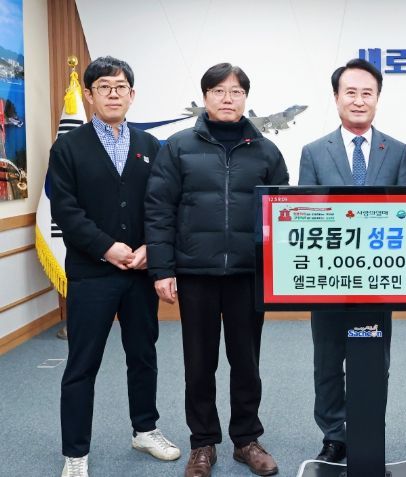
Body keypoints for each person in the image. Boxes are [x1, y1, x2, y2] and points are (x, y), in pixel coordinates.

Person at [145, 63, 288, 477]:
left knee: (246, 364)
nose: (228, 98)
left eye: (236, 91)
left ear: (246, 98)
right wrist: (162, 268)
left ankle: (246, 440)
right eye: (219, 91)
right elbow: (159, 209)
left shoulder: (266, 151)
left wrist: (278, 273)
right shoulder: (178, 147)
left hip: (248, 275)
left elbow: (283, 215)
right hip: (196, 274)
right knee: (198, 364)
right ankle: (203, 443)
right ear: (205, 96)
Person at [50, 56, 180, 477]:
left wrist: (149, 249)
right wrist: (107, 248)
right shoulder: (68, 147)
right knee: (82, 364)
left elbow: (163, 204)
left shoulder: (150, 146)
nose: (113, 93)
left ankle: (145, 429)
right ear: (89, 95)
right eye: (103, 87)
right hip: (92, 273)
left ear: (132, 94)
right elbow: (65, 210)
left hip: (140, 272)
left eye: (120, 86)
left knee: (143, 355)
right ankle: (75, 452)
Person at [298, 58, 406, 462]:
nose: (359, 100)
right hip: (327, 281)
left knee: (375, 361)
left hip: (378, 281)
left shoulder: (397, 151)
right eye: (351, 92)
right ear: (336, 98)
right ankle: (334, 433)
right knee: (328, 362)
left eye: (368, 93)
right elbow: (306, 218)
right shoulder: (314, 152)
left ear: (377, 98)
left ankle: (368, 427)